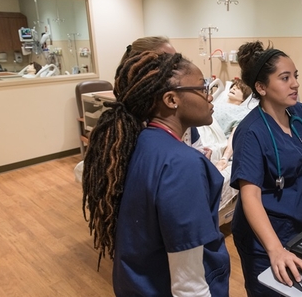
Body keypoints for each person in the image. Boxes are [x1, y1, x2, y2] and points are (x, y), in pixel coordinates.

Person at [82, 51, 230, 296]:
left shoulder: (143, 142)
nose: (210, 95)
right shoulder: (183, 165)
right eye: (203, 87)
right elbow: (189, 284)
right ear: (172, 99)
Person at [229, 41, 302, 296]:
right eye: (285, 78)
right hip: (265, 239)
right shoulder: (251, 132)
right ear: (261, 87)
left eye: (295, 76)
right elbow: (250, 197)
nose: (295, 84)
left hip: (301, 228)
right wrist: (275, 250)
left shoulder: (301, 113)